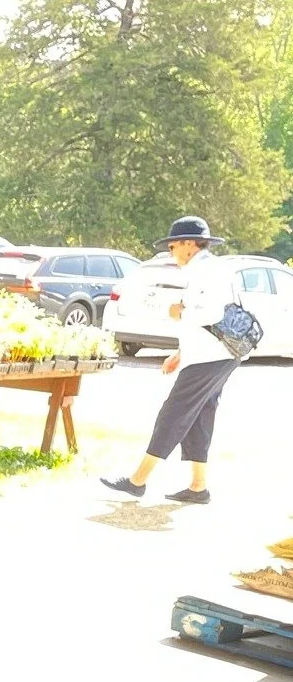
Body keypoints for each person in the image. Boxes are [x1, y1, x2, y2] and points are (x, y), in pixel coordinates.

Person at [101, 215, 240, 505]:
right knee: (200, 415)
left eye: (173, 245)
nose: (171, 251)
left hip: (210, 358)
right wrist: (180, 353)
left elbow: (212, 314)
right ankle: (198, 487)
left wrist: (179, 312)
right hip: (218, 354)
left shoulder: (205, 271)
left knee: (174, 414)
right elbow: (217, 318)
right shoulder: (211, 268)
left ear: (189, 244)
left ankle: (137, 481)